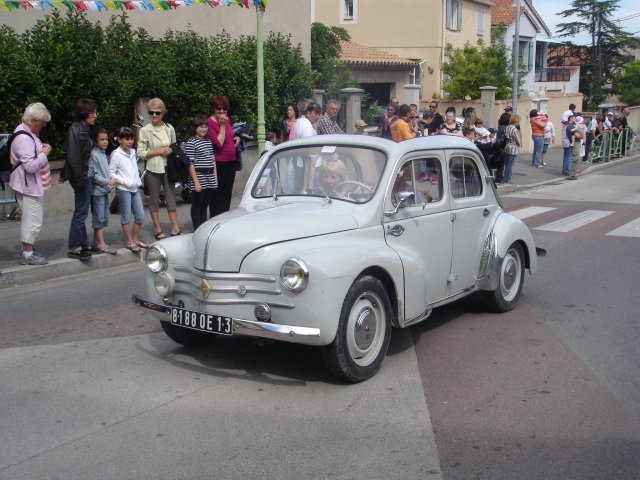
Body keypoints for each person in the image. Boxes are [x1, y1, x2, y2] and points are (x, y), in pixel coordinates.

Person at [9, 102, 52, 265]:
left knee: (30, 218)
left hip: (25, 183)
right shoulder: (24, 138)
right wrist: (45, 154)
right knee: (32, 219)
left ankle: (28, 250)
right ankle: (27, 254)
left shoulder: (23, 131)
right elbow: (30, 166)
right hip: (28, 185)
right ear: (34, 120)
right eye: (43, 123)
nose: (43, 126)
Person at [137, 97, 182, 239]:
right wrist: (158, 151)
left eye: (157, 113)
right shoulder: (145, 130)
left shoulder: (169, 128)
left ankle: (175, 226)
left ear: (163, 113)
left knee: (171, 197)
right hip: (152, 168)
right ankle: (157, 229)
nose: (154, 116)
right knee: (154, 199)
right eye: (151, 113)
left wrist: (170, 150)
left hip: (168, 167)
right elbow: (140, 152)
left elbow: (174, 146)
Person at [64, 98, 98, 261]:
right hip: (82, 177)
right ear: (84, 113)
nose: (95, 115)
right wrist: (80, 179)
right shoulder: (76, 129)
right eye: (92, 112)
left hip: (86, 175)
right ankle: (74, 247)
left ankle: (83, 244)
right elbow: (73, 157)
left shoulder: (84, 129)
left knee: (83, 212)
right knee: (80, 212)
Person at [109, 127, 149, 252]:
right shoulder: (116, 154)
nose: (129, 141)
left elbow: (133, 169)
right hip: (123, 189)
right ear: (120, 140)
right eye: (126, 139)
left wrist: (137, 181)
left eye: (131, 138)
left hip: (134, 189)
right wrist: (122, 181)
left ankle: (135, 239)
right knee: (126, 216)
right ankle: (129, 241)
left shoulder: (132, 152)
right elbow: (111, 171)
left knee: (140, 216)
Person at [183, 114, 218, 230]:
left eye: (205, 127)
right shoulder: (191, 143)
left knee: (205, 204)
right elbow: (190, 163)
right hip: (198, 176)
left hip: (209, 177)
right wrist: (196, 182)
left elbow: (213, 161)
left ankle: (203, 226)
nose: (203, 129)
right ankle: (197, 228)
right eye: (200, 127)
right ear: (195, 128)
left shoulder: (208, 141)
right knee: (197, 204)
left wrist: (215, 178)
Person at [207, 95, 240, 217]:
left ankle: (225, 219)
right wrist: (221, 126)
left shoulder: (227, 119)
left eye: (224, 109)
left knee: (227, 193)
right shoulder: (210, 123)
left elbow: (229, 135)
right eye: (218, 109)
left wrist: (237, 138)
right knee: (217, 195)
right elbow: (218, 143)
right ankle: (215, 219)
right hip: (219, 162)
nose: (221, 111)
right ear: (213, 109)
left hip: (231, 161)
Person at [88, 127, 117, 255]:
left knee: (103, 217)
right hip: (97, 192)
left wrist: (109, 183)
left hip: (103, 190)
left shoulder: (103, 153)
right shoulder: (94, 154)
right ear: (95, 141)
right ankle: (101, 244)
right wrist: (107, 182)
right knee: (99, 218)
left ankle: (95, 242)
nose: (105, 142)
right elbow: (94, 175)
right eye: (102, 139)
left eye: (106, 139)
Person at [501, 114, 521, 184]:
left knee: (507, 164)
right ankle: (507, 179)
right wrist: (520, 144)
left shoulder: (508, 127)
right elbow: (518, 140)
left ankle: (505, 178)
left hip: (507, 146)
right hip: (513, 147)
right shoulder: (515, 129)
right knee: (510, 164)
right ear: (516, 121)